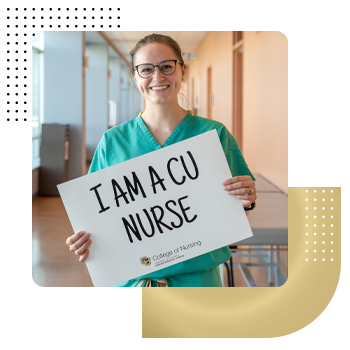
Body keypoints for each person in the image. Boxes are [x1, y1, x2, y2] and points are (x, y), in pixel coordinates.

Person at [66, 33, 257, 287]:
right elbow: (97, 218)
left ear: (182, 71)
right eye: (146, 70)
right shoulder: (112, 142)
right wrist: (84, 240)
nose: (157, 77)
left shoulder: (214, 135)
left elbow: (236, 210)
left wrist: (246, 200)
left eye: (167, 66)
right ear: (135, 78)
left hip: (198, 285)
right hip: (131, 281)